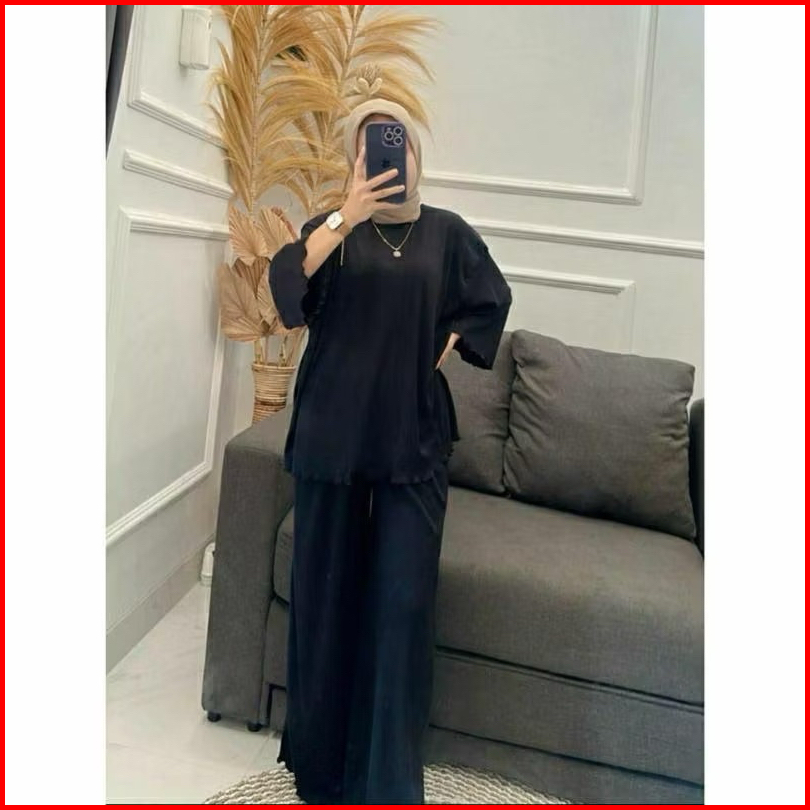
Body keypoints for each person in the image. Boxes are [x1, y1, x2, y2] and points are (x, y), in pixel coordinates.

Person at [268, 98, 512, 804]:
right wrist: (345, 216)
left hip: (413, 434)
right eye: (371, 142)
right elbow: (287, 291)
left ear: (415, 152)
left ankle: (386, 782)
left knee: (401, 608)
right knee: (326, 599)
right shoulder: (334, 230)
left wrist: (448, 341)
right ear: (355, 156)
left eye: (395, 139)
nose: (385, 152)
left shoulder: (447, 234)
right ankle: (322, 773)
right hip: (332, 434)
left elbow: (490, 300)